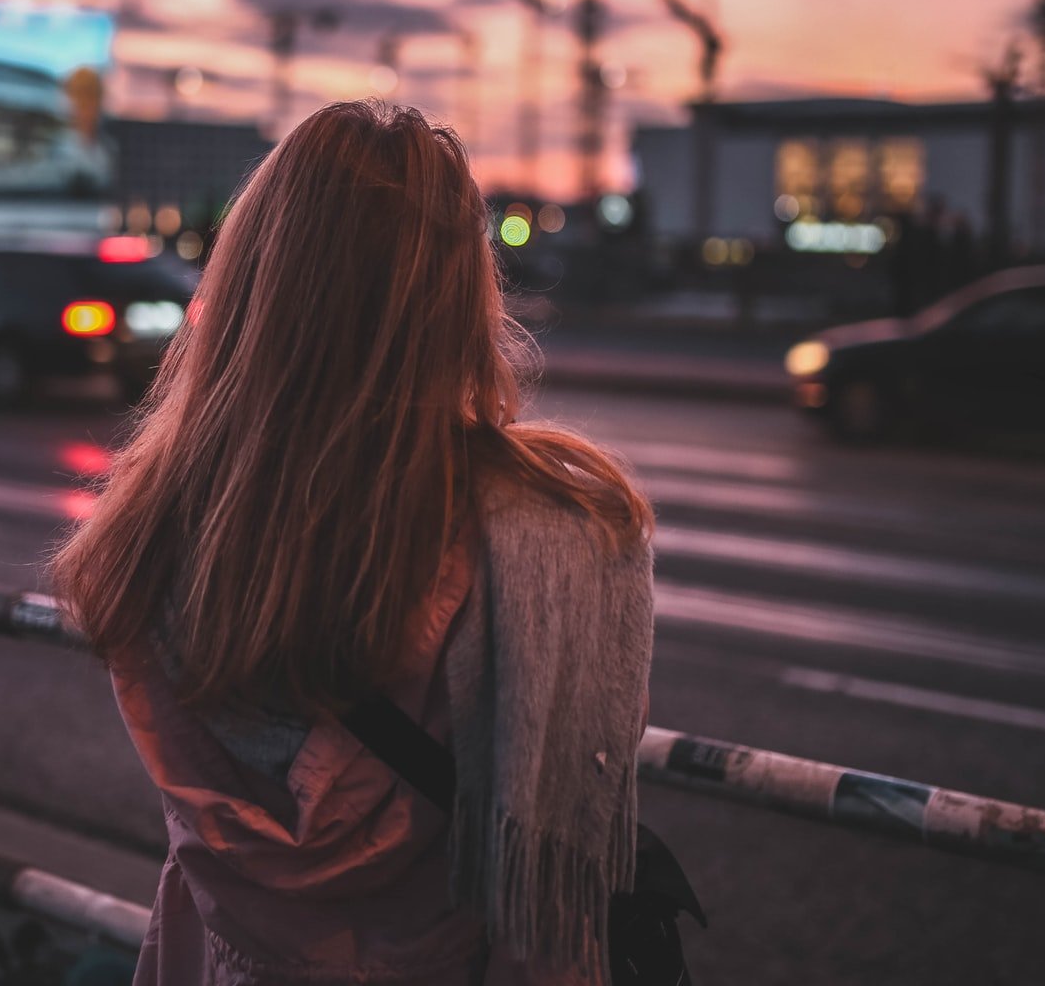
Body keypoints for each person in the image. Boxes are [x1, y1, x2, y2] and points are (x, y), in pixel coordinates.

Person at [52, 102, 656, 985]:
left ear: (255, 279)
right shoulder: (552, 529)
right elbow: (548, 928)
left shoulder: (162, 521)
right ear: (456, 295)